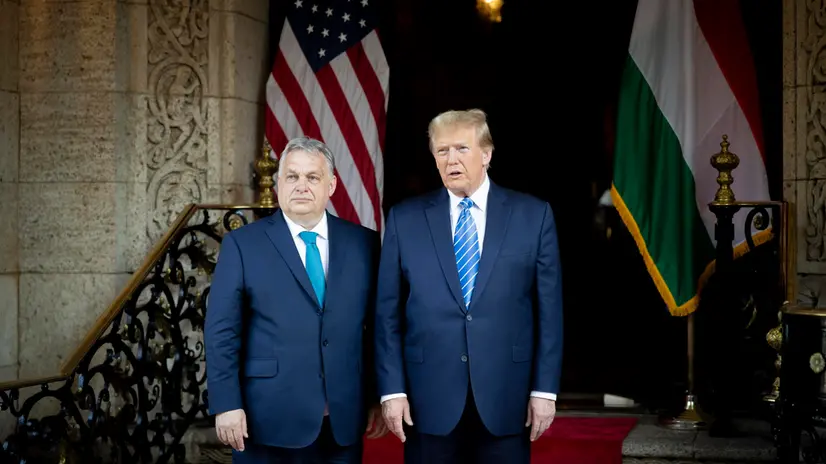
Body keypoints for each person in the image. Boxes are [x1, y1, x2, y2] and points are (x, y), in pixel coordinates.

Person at [375, 109, 564, 463]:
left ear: (487, 155)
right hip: (426, 402)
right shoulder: (405, 218)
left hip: (507, 398)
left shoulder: (532, 216)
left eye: (462, 148)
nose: (451, 160)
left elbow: (549, 313)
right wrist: (392, 391)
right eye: (442, 151)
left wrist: (544, 390)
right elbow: (387, 314)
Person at [205, 136, 388, 463]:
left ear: (331, 185)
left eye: (312, 177)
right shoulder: (242, 245)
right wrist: (227, 404)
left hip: (343, 423)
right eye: (292, 176)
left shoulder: (364, 244)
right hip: (266, 420)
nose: (301, 185)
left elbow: (377, 329)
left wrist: (377, 395)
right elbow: (222, 331)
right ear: (278, 184)